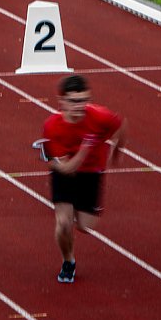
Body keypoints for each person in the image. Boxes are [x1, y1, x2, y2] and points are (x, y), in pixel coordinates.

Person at [42, 74, 128, 283]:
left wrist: (117, 150)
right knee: (63, 223)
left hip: (91, 173)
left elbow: (121, 127)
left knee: (84, 226)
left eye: (83, 101)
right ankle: (68, 261)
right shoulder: (53, 126)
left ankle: (74, 216)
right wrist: (86, 147)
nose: (79, 106)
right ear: (61, 102)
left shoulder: (100, 116)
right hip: (64, 170)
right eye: (73, 101)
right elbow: (68, 169)